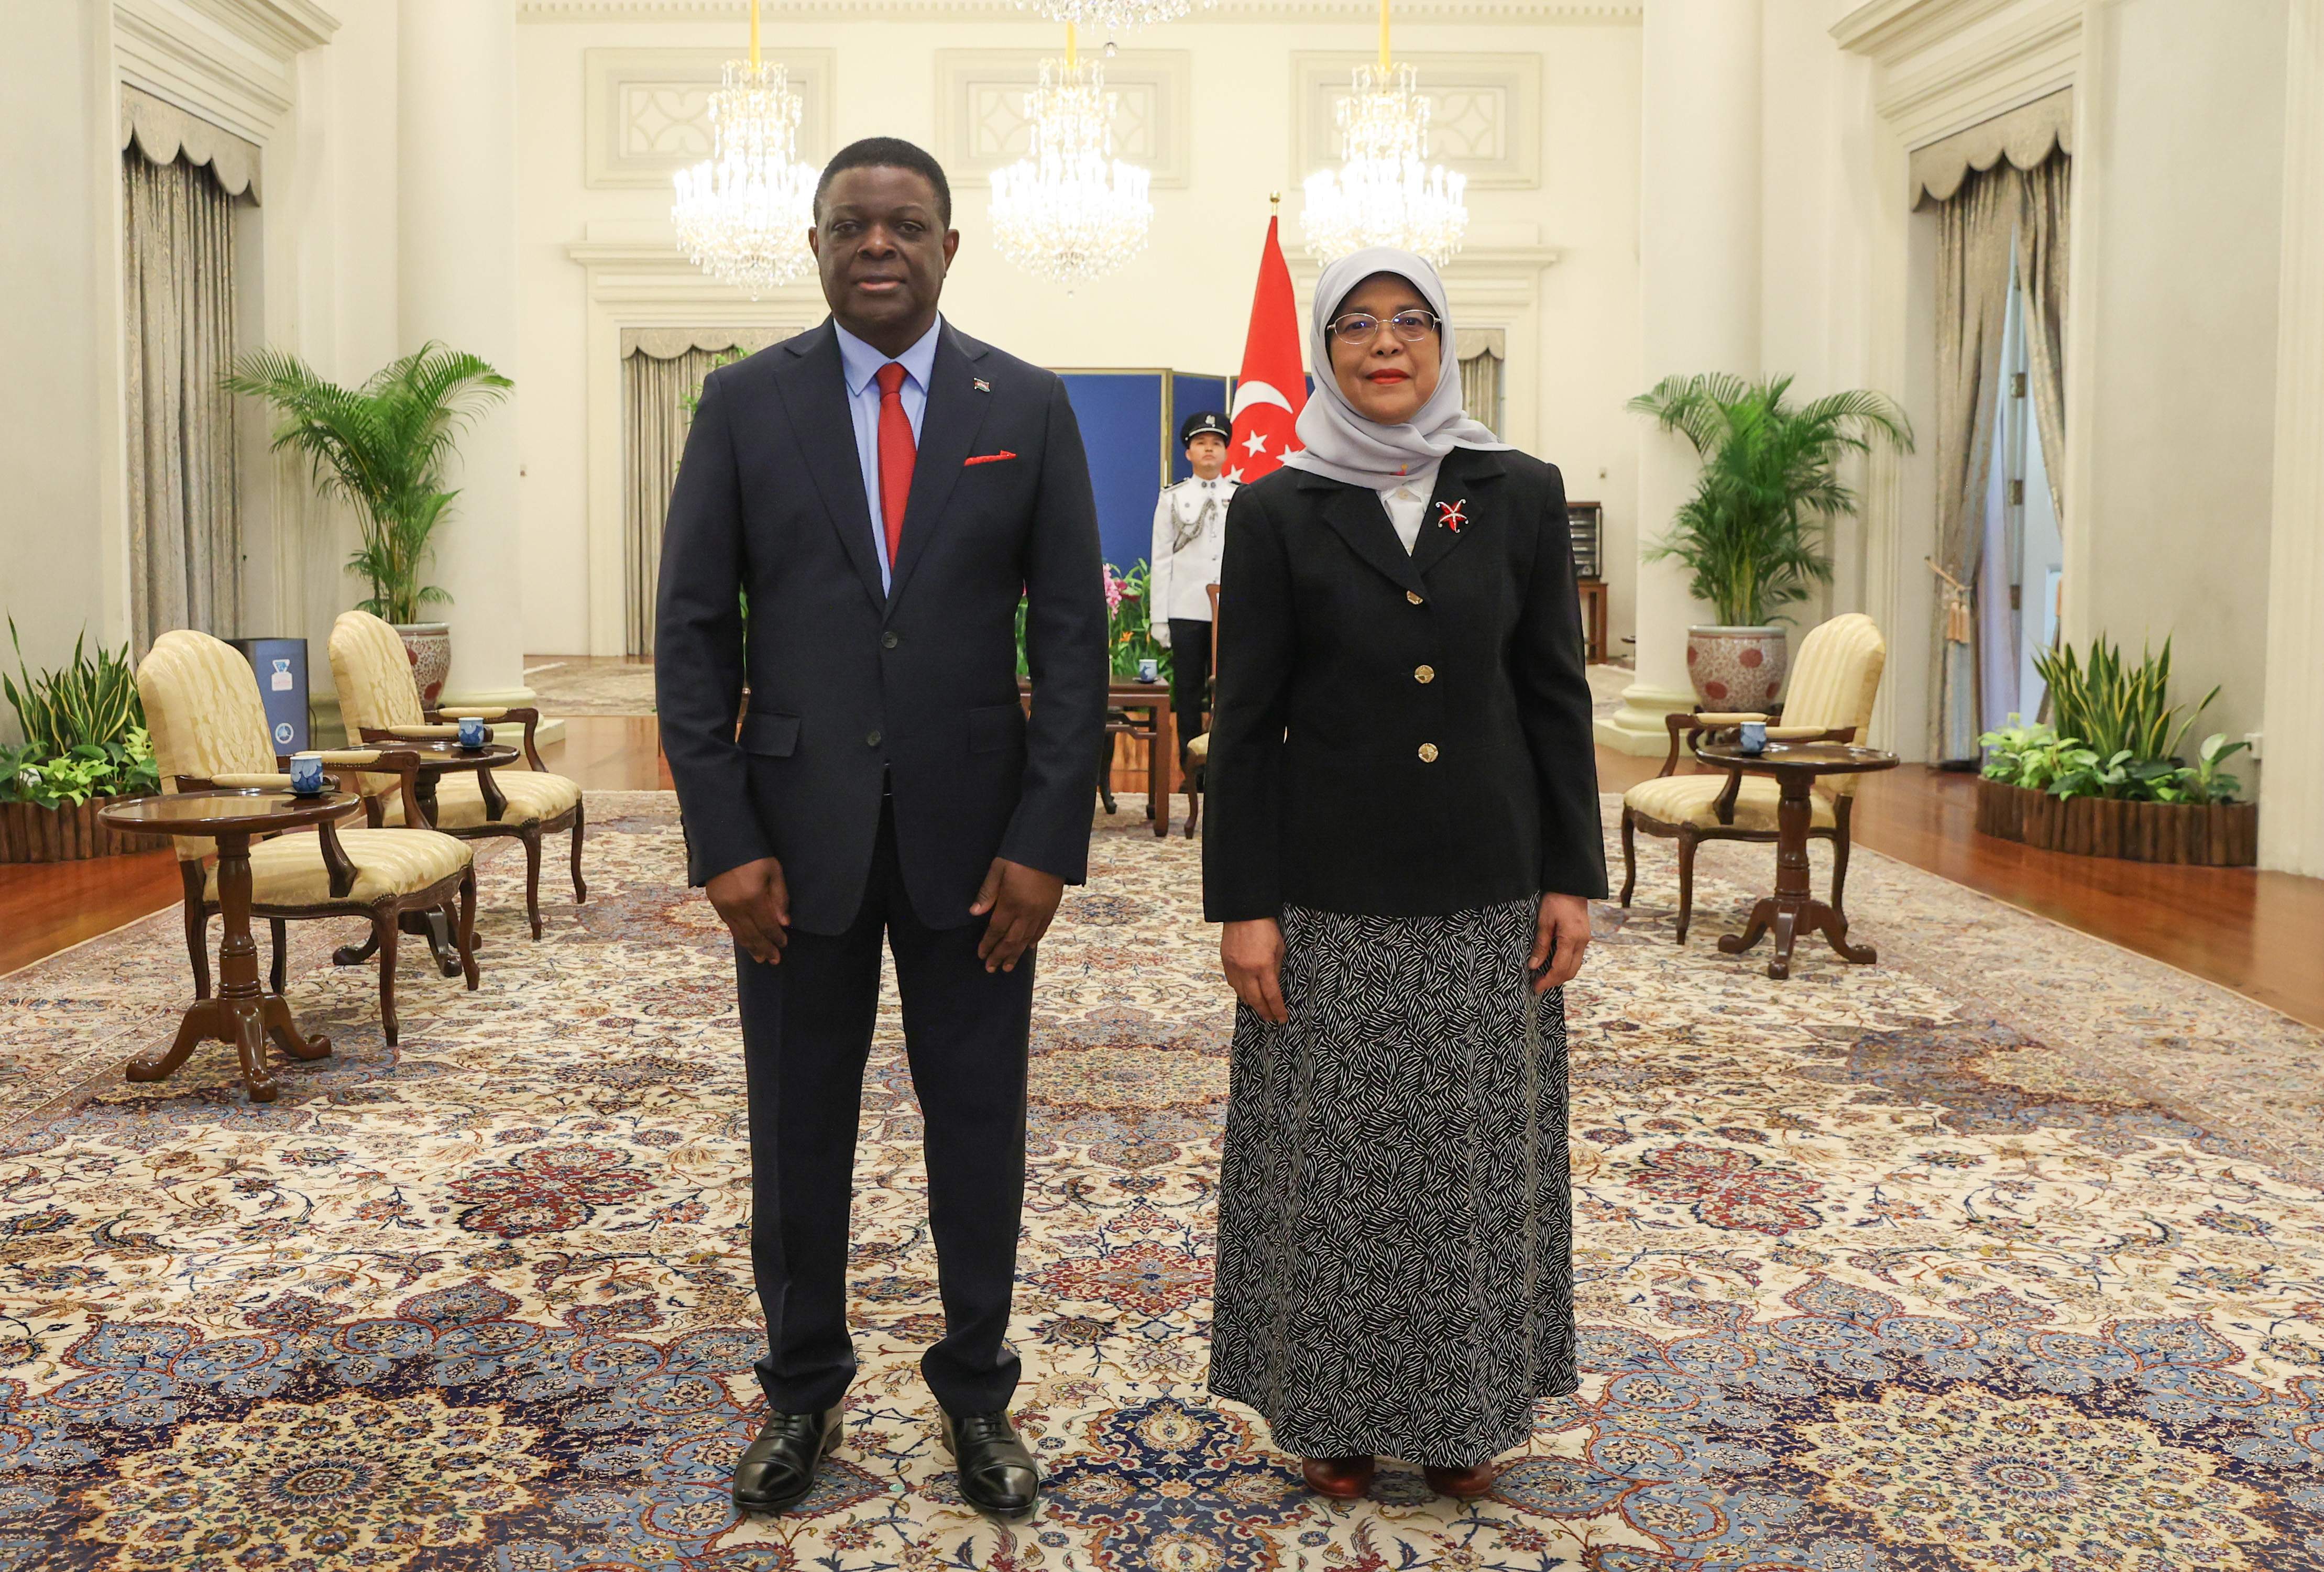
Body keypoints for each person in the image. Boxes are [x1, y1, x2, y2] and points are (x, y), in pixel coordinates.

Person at [655, 136, 1108, 1522]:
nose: (877, 246)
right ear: (812, 243)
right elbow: (688, 633)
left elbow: (1075, 640)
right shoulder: (743, 404)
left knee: (979, 1127)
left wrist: (1044, 841)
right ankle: (801, 1393)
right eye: (850, 224)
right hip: (791, 853)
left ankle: (977, 1392)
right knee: (798, 1134)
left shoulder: (1022, 406)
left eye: (905, 225)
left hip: (980, 859)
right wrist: (724, 840)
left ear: (948, 248)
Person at [1200, 246, 1605, 1501]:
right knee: (1331, 1163)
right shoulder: (1274, 509)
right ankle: (1329, 1412)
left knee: (1472, 1157)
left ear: (1445, 344)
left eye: (1410, 322)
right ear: (1323, 352)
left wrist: (1568, 876)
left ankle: (1462, 1419)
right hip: (1327, 893)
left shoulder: (1517, 491)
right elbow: (1246, 717)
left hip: (1484, 885)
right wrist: (1243, 906)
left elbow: (1551, 693)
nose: (1385, 344)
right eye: (1359, 326)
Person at [1147, 410, 1236, 761]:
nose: (1209, 450)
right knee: (1188, 692)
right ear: (1189, 452)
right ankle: (1190, 770)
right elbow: (1162, 559)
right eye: (1201, 443)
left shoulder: (1243, 496)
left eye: (1216, 443)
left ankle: (1223, 766)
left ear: (1227, 451)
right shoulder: (1172, 498)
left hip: (1230, 612)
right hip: (1185, 610)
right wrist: (1159, 618)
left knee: (1229, 691)